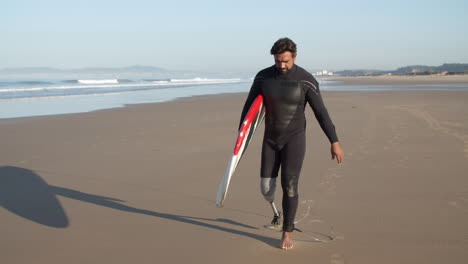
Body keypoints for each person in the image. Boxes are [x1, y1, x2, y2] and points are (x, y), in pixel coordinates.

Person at [238, 38, 344, 250]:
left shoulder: (305, 80)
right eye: (278, 61)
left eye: (285, 61)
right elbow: (248, 108)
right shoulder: (263, 77)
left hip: (294, 139)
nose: (281, 65)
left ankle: (287, 232)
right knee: (266, 189)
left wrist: (334, 141)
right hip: (270, 139)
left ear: (294, 57)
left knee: (290, 185)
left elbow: (321, 112)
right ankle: (277, 213)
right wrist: (240, 138)